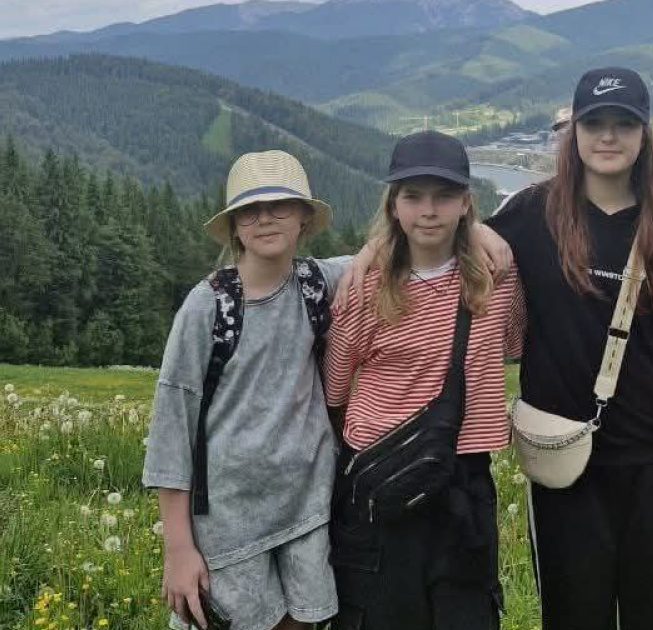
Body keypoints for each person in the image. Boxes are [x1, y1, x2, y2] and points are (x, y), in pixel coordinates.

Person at [485, 67, 653, 630]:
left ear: (644, 135)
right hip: (563, 454)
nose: (608, 136)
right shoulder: (530, 214)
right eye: (595, 123)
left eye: (623, 124)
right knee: (574, 613)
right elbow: (454, 247)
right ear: (575, 133)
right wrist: (364, 262)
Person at [322, 130, 525, 630]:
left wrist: (490, 238)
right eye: (413, 196)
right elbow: (335, 386)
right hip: (381, 481)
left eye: (444, 196)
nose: (428, 211)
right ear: (393, 205)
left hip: (462, 478)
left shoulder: (498, 277)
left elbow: (518, 343)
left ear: (466, 203)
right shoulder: (363, 285)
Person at [144, 150, 347, 630]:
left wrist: (480, 232)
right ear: (234, 225)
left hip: (309, 510)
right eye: (249, 209)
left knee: (302, 622)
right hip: (228, 524)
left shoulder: (319, 283)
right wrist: (178, 549)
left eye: (280, 205)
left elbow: (399, 253)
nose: (265, 218)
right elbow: (172, 429)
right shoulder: (207, 306)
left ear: (303, 217)